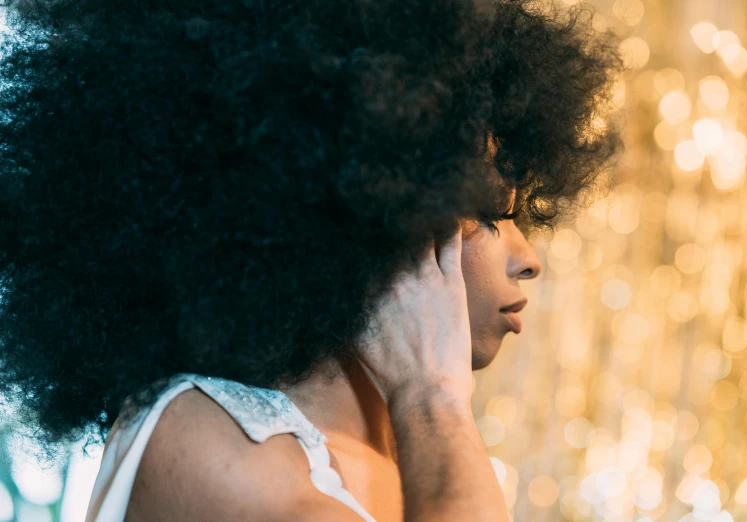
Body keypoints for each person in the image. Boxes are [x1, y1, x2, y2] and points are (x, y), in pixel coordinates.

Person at [0, 0, 622, 520]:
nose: (529, 258)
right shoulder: (199, 435)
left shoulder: (415, 456)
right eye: (487, 215)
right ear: (368, 214)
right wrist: (432, 398)